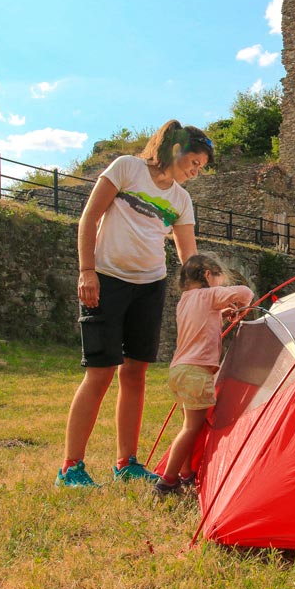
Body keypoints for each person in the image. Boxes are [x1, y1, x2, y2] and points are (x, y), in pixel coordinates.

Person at [56, 120, 214, 487]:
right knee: (100, 373)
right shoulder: (127, 168)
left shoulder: (181, 200)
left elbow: (188, 258)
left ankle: (126, 463)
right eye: (194, 163)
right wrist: (87, 271)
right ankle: (71, 467)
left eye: (201, 168)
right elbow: (89, 217)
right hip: (107, 281)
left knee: (135, 374)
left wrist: (206, 297)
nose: (195, 172)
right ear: (176, 151)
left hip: (150, 286)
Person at [153, 252, 254, 497]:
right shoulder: (209, 295)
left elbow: (201, 319)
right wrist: (241, 305)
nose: (222, 284)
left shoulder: (186, 300)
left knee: (188, 426)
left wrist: (222, 313)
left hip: (179, 370)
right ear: (208, 275)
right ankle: (167, 481)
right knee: (191, 428)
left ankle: (187, 474)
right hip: (197, 372)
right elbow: (245, 293)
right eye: (220, 278)